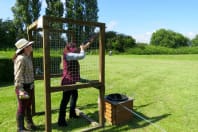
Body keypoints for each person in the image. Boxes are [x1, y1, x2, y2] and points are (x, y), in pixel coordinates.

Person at [58, 36, 96, 127]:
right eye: (73, 48)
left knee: (74, 95)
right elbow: (81, 55)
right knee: (65, 100)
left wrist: (88, 43)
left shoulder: (69, 52)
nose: (75, 49)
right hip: (67, 80)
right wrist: (82, 49)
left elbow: (80, 49)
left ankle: (72, 114)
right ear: (70, 48)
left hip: (72, 80)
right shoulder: (68, 55)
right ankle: (61, 120)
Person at [12, 38, 37, 131]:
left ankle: (30, 124)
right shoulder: (21, 58)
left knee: (28, 105)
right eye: (30, 45)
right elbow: (18, 75)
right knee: (22, 107)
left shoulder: (28, 57)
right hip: (23, 87)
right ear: (25, 48)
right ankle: (20, 128)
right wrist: (21, 90)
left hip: (29, 86)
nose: (31, 46)